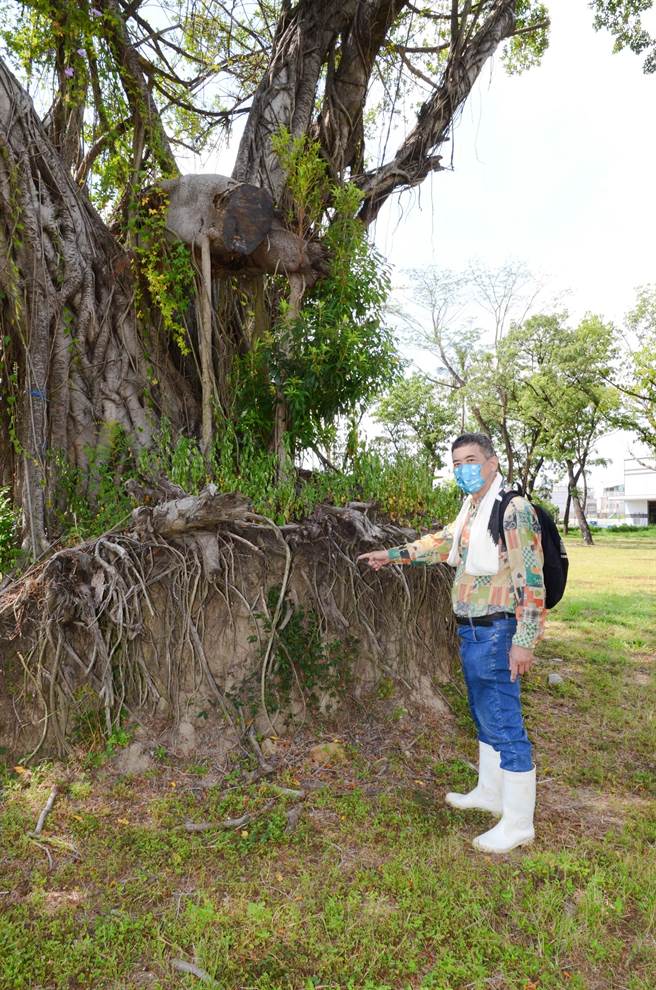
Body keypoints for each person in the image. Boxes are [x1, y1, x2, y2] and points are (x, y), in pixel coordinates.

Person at [357, 432, 546, 854]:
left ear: (492, 463)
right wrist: (392, 555)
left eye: (472, 460)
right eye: (457, 463)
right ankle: (490, 793)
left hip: (497, 630)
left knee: (504, 721)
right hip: (473, 629)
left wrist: (525, 641)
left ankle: (518, 823)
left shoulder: (512, 509)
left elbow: (531, 579)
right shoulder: (473, 509)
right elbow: (442, 543)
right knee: (483, 712)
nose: (464, 469)